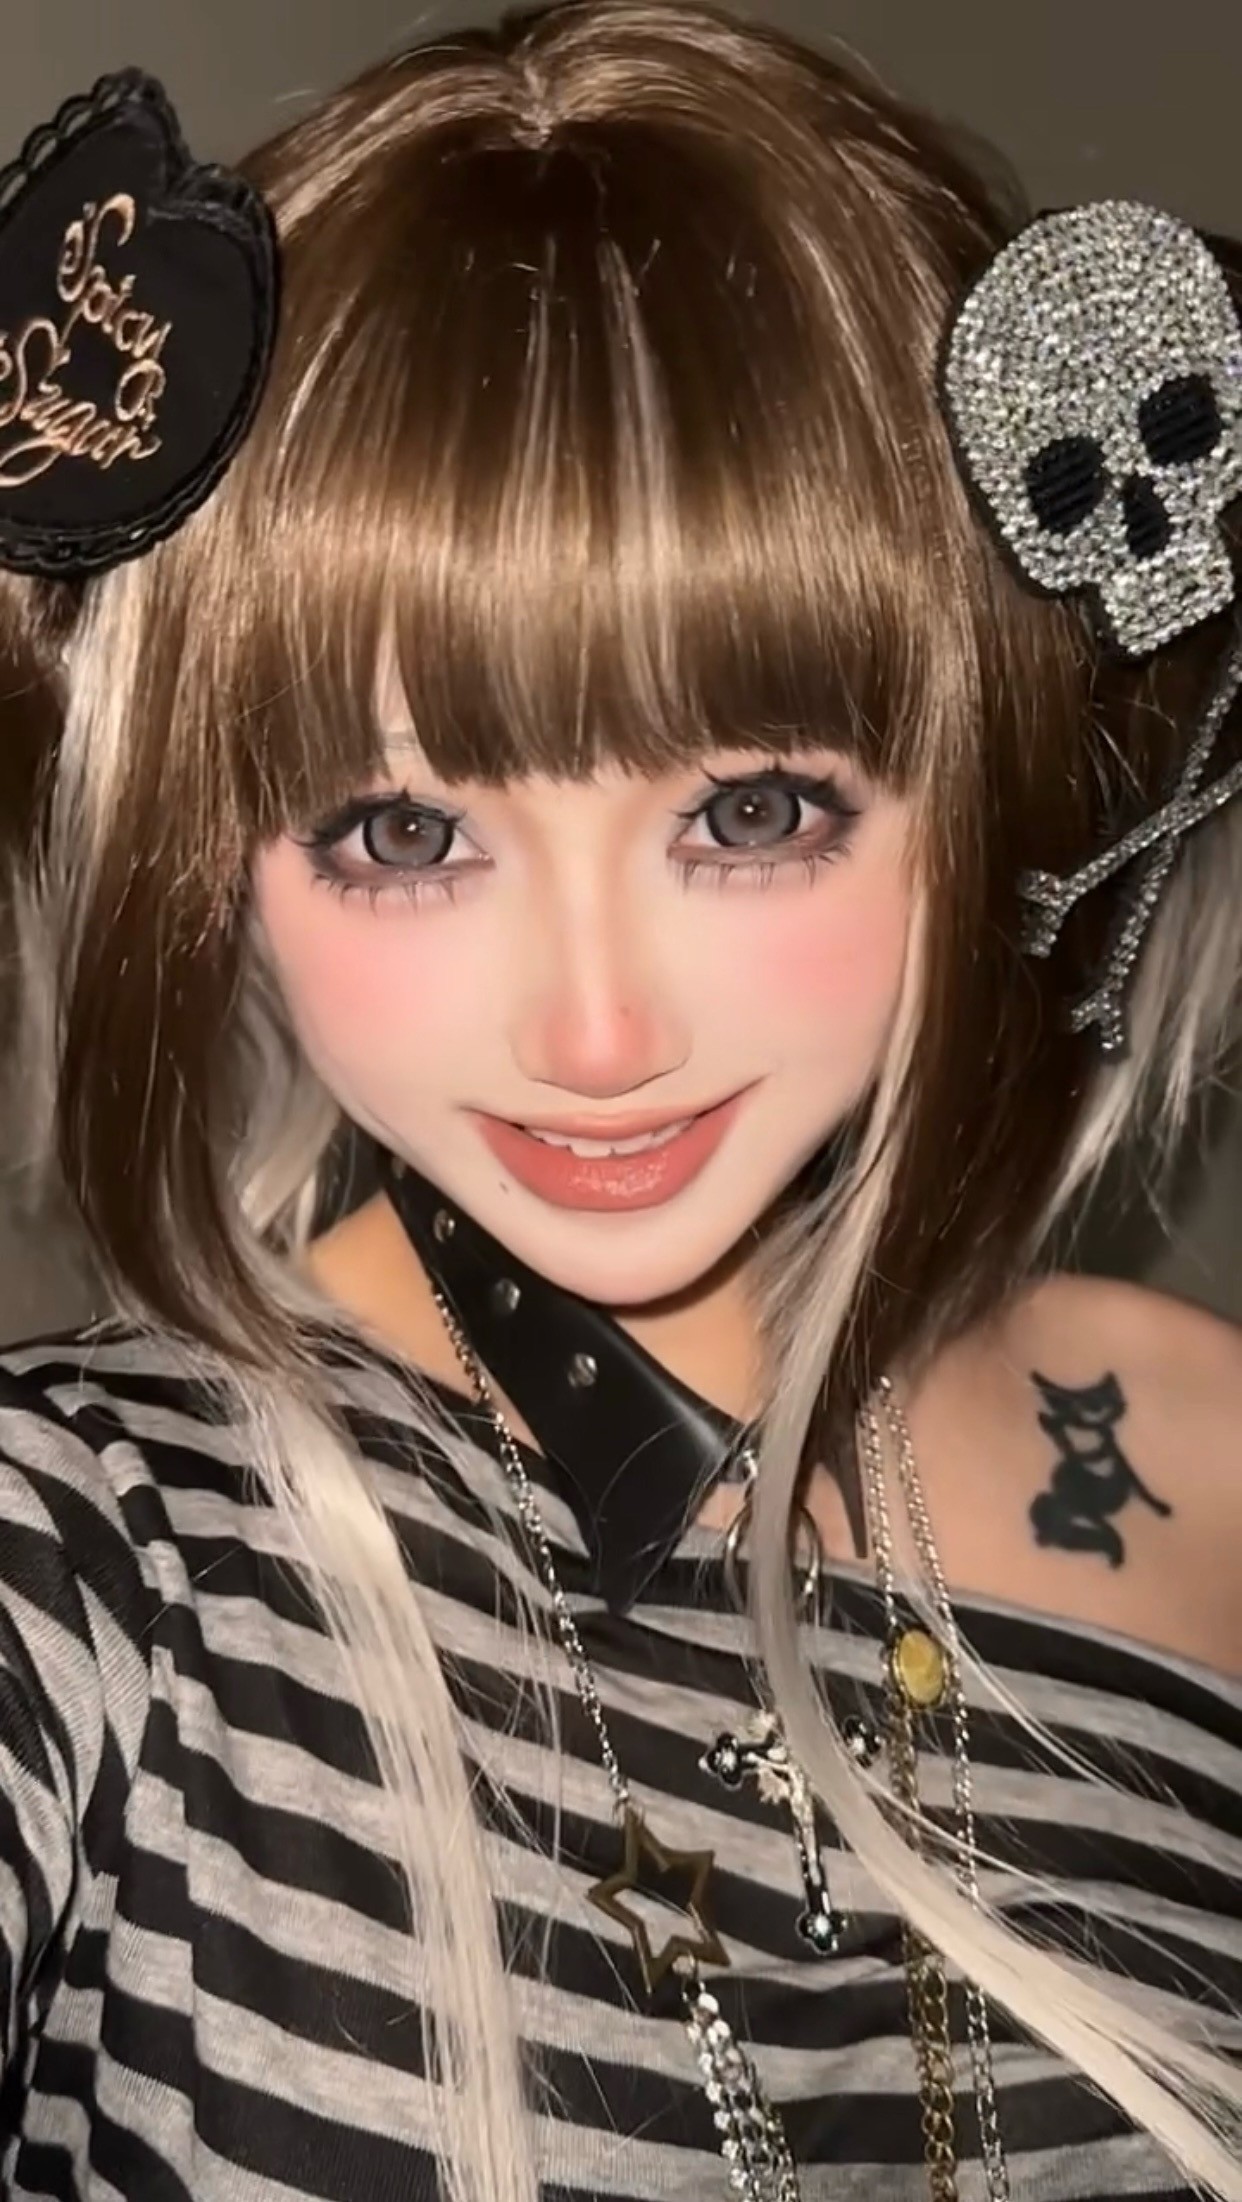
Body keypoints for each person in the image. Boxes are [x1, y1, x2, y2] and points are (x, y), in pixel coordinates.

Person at [0, 5, 1238, 2198]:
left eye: (753, 811)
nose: (594, 1036)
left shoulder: (1207, 1457)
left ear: (993, 788)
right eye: (403, 832)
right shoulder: (87, 1546)